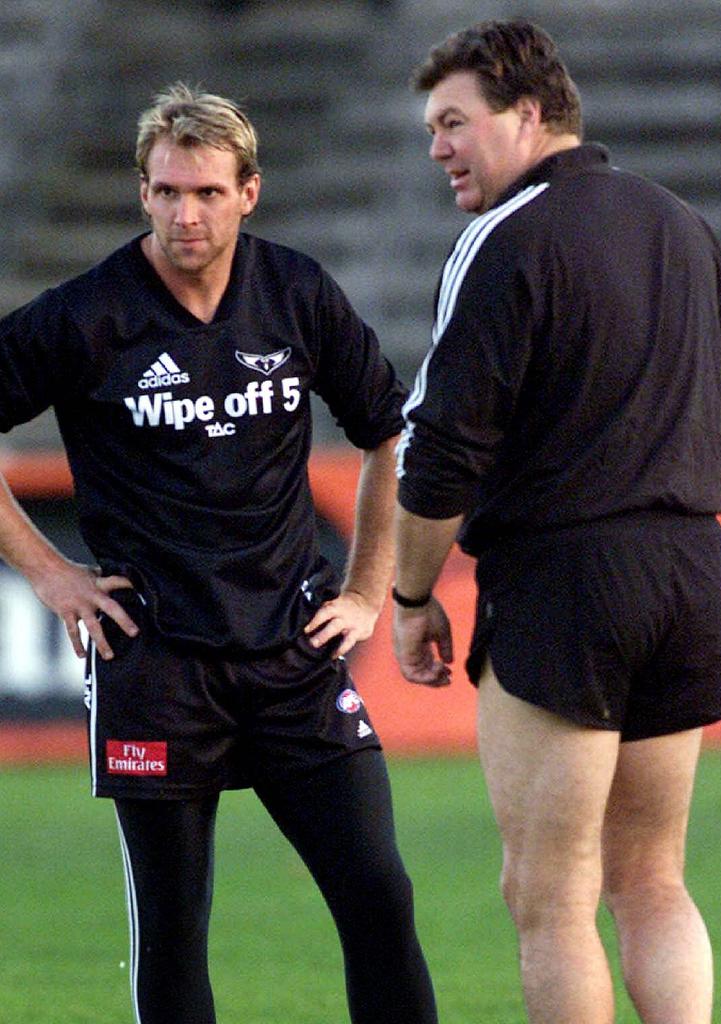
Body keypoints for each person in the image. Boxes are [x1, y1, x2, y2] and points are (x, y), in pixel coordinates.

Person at [0, 83, 438, 1024]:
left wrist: (366, 587)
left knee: (379, 896)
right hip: (154, 661)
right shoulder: (87, 314)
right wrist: (49, 571)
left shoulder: (296, 293)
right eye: (164, 192)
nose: (183, 214)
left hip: (295, 655)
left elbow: (389, 434)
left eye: (204, 193)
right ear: (143, 194)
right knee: (172, 924)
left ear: (249, 193)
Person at [391, 20, 721, 1024]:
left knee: (548, 898)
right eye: (433, 128)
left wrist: (413, 595)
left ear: (527, 114)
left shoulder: (507, 239)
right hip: (687, 570)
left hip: (566, 578)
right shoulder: (681, 222)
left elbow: (441, 453)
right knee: (654, 879)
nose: (439, 148)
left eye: (454, 122)